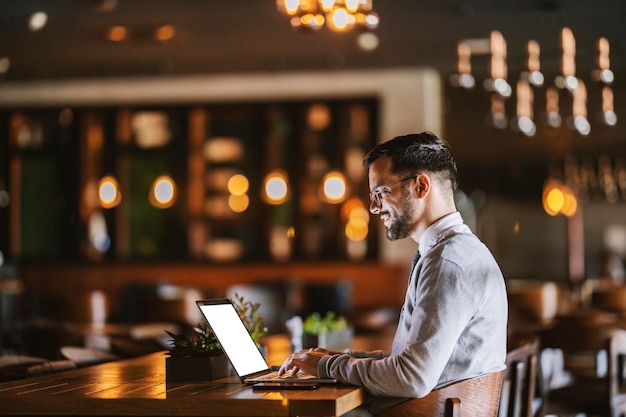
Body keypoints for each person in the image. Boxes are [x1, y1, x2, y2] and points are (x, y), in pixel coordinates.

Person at [279, 132, 508, 414]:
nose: (374, 208)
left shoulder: (448, 261)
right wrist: (342, 359)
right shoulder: (455, 252)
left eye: (381, 193)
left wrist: (327, 367)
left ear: (421, 186)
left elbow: (412, 378)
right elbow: (410, 363)